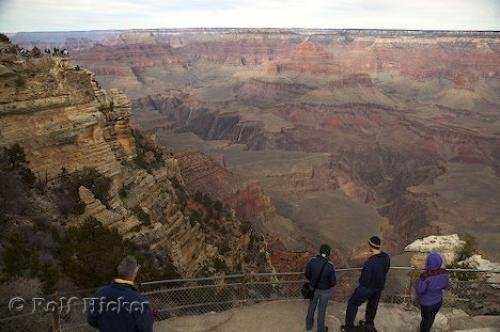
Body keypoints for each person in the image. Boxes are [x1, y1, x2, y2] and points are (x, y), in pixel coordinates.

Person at [87, 256, 153, 332]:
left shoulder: (100, 293)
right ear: (134, 273)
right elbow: (145, 328)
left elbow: (92, 320)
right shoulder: (139, 300)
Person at [341, 236, 390, 332]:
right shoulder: (386, 257)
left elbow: (364, 279)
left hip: (367, 288)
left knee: (353, 303)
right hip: (379, 287)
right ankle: (369, 325)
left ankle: (349, 328)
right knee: (372, 305)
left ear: (371, 246)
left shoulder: (370, 262)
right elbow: (386, 270)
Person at [305, 244, 337, 332]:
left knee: (311, 306)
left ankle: (308, 325)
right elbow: (333, 282)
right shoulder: (330, 266)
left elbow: (307, 274)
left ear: (320, 251)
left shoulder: (312, 261)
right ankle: (320, 329)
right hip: (325, 291)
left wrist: (313, 281)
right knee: (322, 310)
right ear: (328, 254)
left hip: (313, 288)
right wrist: (327, 286)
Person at [416, 252, 449, 332]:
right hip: (438, 301)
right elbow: (445, 285)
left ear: (428, 262)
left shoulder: (425, 276)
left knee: (425, 319)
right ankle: (427, 328)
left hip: (426, 303)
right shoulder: (444, 273)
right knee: (431, 317)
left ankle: (424, 330)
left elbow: (420, 290)